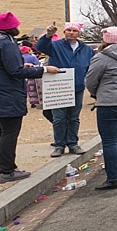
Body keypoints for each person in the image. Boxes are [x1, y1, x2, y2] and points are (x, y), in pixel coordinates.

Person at [0, 12, 60, 182]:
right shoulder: (6, 44)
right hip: (5, 93)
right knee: (9, 132)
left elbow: (0, 66)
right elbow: (15, 72)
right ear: (10, 27)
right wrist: (43, 70)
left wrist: (21, 64)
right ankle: (7, 170)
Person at [85, 27, 117, 190]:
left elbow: (91, 80)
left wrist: (96, 94)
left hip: (108, 101)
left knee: (109, 141)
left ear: (105, 39)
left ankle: (113, 177)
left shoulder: (101, 58)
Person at [35, 21, 95, 157]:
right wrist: (49, 35)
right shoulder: (55, 46)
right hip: (59, 87)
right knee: (59, 118)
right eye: (69, 30)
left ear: (79, 33)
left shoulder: (86, 49)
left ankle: (73, 143)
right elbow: (40, 46)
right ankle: (59, 145)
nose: (71, 33)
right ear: (64, 32)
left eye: (74, 31)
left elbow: (92, 66)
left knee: (74, 117)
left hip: (78, 87)